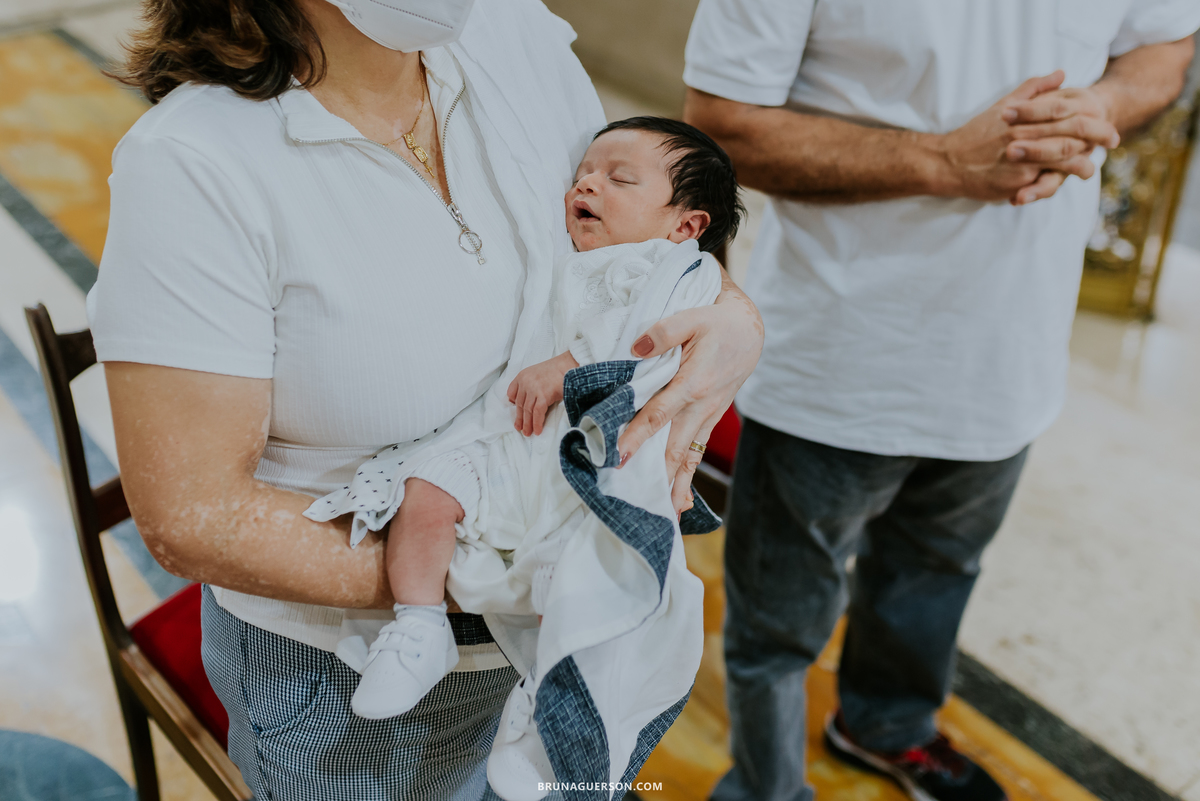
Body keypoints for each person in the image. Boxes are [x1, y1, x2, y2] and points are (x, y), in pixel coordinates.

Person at [86, 0, 764, 798]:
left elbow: (642, 244)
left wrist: (735, 317)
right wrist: (496, 572)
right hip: (345, 674)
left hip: (533, 621)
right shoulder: (194, 161)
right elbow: (195, 517)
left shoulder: (511, 34)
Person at [681, 2, 1199, 801]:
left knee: (936, 572)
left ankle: (885, 725)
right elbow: (721, 126)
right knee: (779, 620)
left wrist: (1098, 107)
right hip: (838, 354)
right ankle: (764, 785)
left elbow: (1165, 48)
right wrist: (947, 161)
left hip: (1011, 354)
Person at [305, 116, 744, 801]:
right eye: (584, 173)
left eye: (619, 178)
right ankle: (418, 626)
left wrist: (573, 363)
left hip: (583, 464)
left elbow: (653, 344)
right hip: (508, 445)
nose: (587, 184)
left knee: (576, 579)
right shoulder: (562, 254)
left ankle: (547, 696)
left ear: (686, 225)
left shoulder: (674, 270)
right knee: (427, 489)